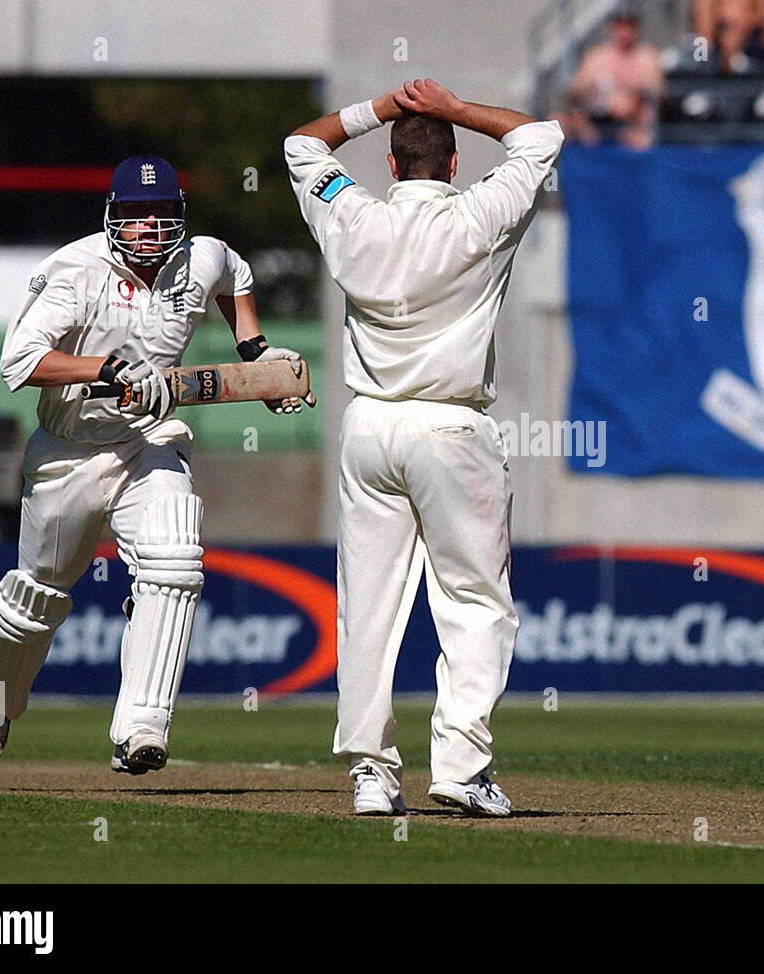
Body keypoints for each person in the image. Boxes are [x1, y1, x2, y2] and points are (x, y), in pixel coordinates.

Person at [0, 154, 313, 772]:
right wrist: (106, 370)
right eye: (134, 216)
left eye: (161, 216)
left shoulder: (199, 256)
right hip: (67, 453)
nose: (148, 229)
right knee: (34, 601)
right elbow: (17, 363)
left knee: (175, 560)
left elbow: (234, 274)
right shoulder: (75, 270)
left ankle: (141, 730)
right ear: (111, 216)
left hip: (148, 439)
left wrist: (257, 353)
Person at [285, 79, 563, 817]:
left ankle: (372, 774)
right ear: (450, 165)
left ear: (389, 162)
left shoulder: (353, 213)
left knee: (368, 607)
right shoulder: (479, 212)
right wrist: (457, 109)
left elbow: (303, 144)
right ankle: (462, 767)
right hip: (449, 424)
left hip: (370, 424)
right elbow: (541, 137)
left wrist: (380, 106)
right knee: (474, 601)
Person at [561, 5, 665, 149]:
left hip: (634, 127)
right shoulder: (596, 57)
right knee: (558, 121)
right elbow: (573, 92)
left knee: (641, 134)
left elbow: (659, 94)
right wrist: (593, 90)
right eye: (620, 26)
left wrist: (631, 94)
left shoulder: (647, 58)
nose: (625, 32)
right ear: (611, 27)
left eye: (629, 26)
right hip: (596, 124)